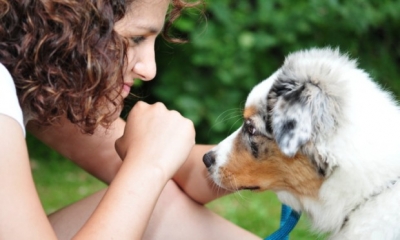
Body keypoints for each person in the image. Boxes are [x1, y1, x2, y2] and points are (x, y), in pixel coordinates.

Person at [0, 0, 262, 239]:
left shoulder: (34, 81)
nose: (149, 69)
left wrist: (272, 161)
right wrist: (149, 166)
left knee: (156, 203)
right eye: (137, 38)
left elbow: (183, 174)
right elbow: (148, 175)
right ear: (70, 21)